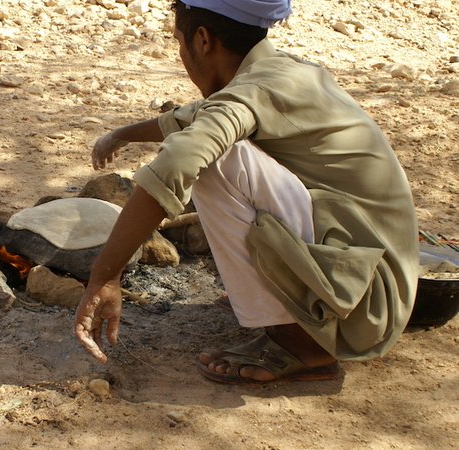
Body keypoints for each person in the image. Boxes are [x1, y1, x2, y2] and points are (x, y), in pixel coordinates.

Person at [74, 0, 418, 384]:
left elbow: (180, 158)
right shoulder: (283, 72)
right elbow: (198, 115)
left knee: (216, 159)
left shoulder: (254, 91)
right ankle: (289, 306)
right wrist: (121, 135)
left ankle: (306, 346)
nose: (182, 54)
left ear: (203, 40)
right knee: (210, 143)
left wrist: (104, 275)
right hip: (378, 281)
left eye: (179, 41)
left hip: (367, 308)